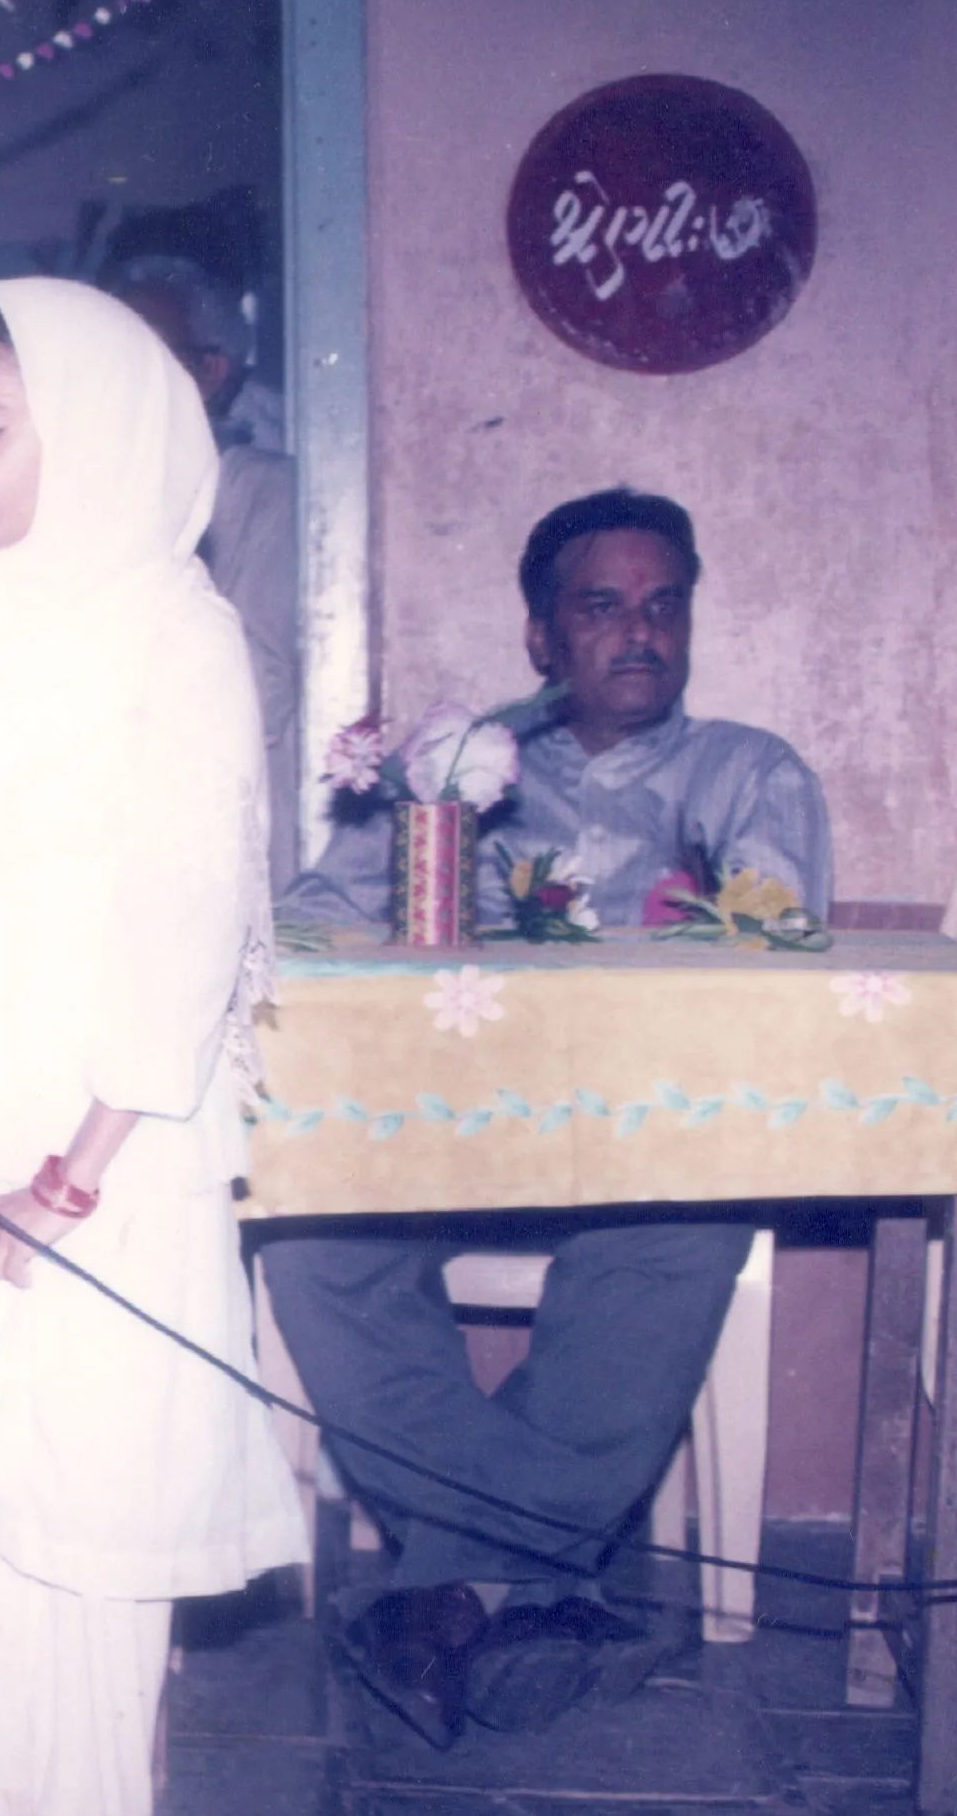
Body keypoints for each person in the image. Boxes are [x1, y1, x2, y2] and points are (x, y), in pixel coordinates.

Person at [0, 279, 307, 1816]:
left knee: (91, 1498)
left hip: (107, 1147)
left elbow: (191, 917)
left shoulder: (168, 632)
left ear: (99, 430)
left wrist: (67, 1171)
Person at [266, 488, 832, 1751]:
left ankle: (444, 1592)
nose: (638, 632)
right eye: (600, 606)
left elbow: (769, 943)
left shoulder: (746, 771)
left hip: (642, 1140)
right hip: (444, 1132)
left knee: (690, 1228)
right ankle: (540, 1597)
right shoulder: (458, 773)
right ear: (539, 636)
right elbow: (307, 921)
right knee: (308, 1234)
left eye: (662, 605)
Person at [107, 253, 304, 894]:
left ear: (210, 371)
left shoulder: (266, 493)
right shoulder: (85, 497)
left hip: (213, 839)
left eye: (144, 353)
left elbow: (260, 691)